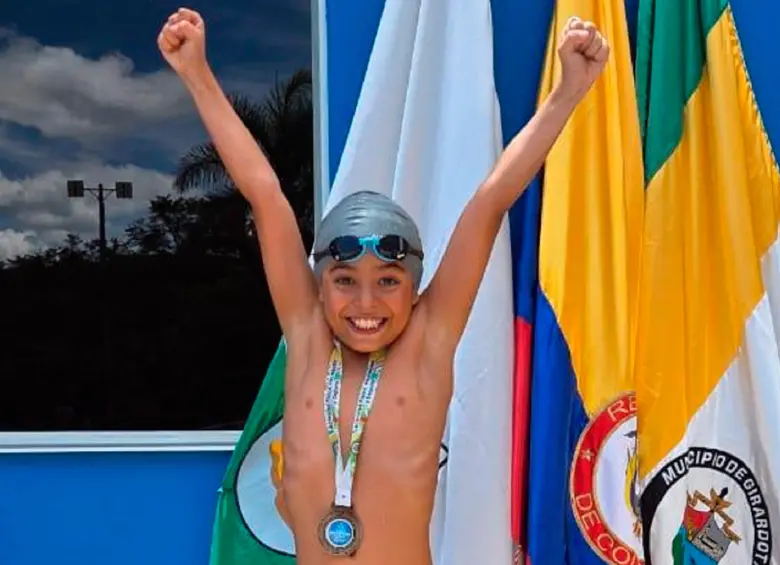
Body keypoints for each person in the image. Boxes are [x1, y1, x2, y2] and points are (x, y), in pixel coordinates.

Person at [158, 7, 609, 565]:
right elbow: (266, 194)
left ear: (416, 289)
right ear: (319, 287)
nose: (366, 303)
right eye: (345, 281)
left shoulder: (428, 342)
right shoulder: (307, 339)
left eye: (388, 282)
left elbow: (489, 202)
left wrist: (567, 93)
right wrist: (196, 74)